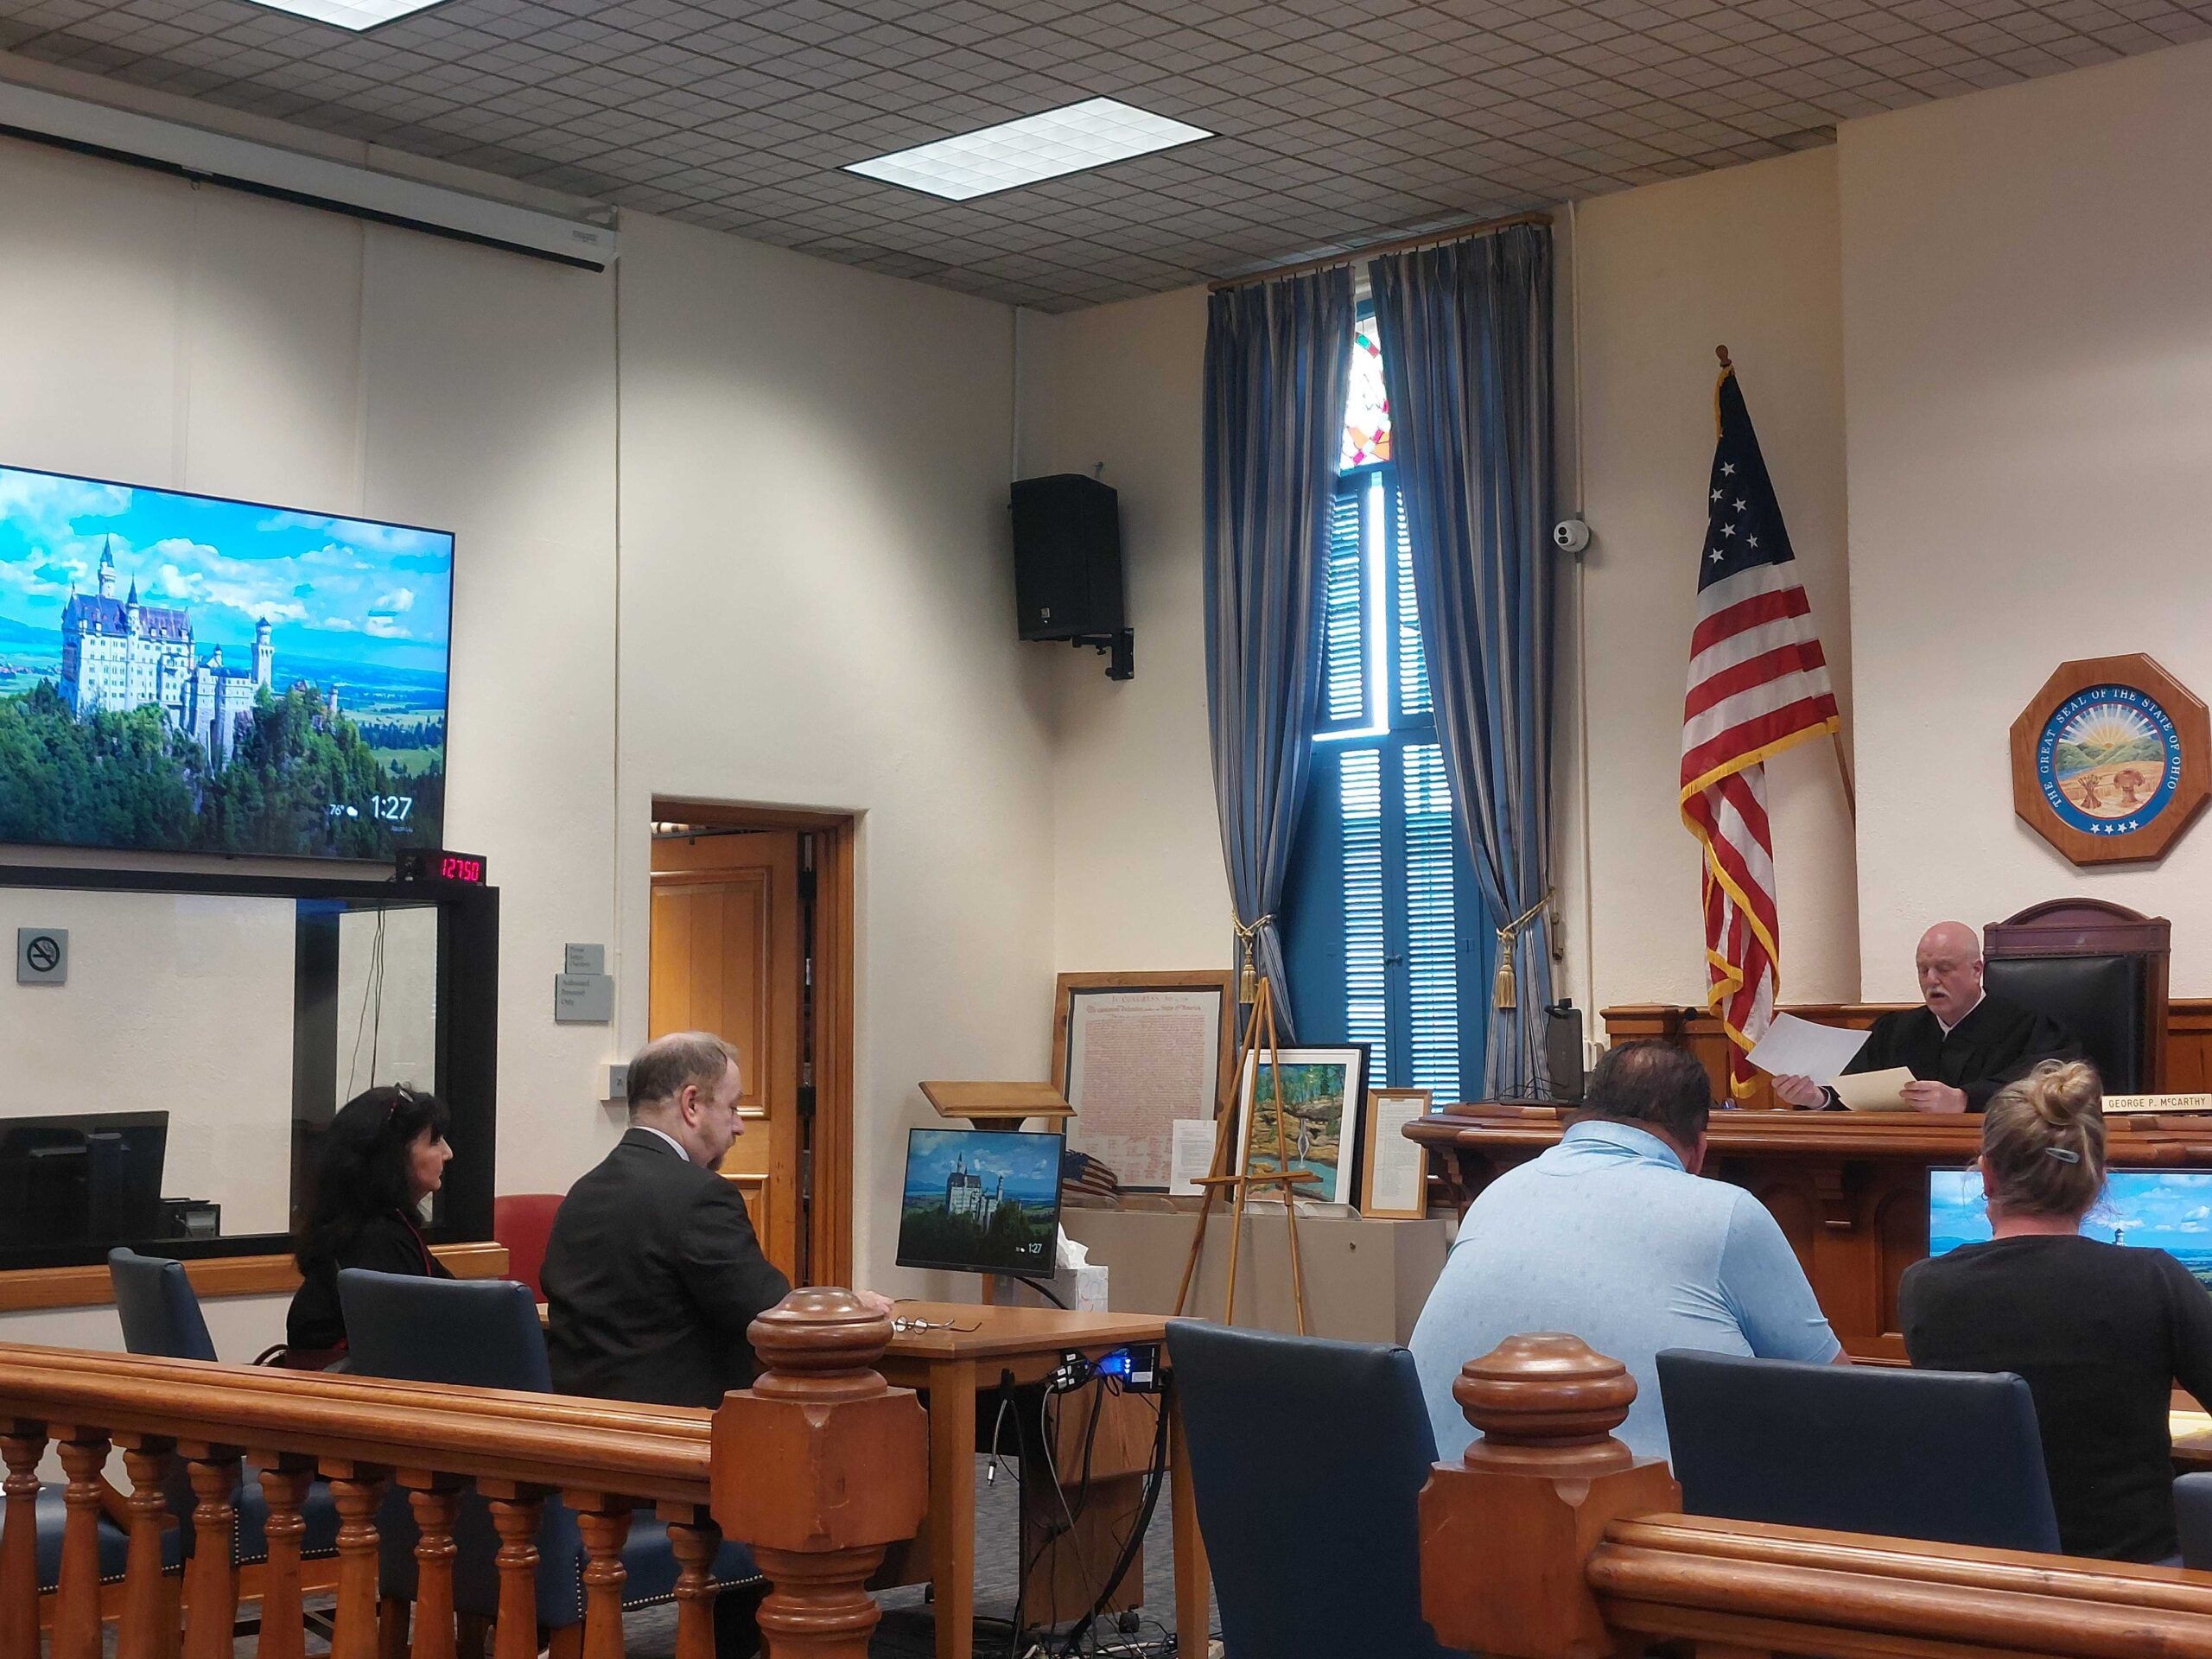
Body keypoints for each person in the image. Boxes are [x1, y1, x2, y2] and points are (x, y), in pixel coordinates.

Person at [1408, 1041, 1841, 1462]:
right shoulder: (1727, 1211)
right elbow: (1835, 1391)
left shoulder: (1495, 1195)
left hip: (1442, 1510)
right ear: (1698, 1151)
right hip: (1650, 1523)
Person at [1899, 1060, 2212, 1561]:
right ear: (2097, 1181)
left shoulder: (1924, 1287)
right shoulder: (2155, 1279)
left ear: (1987, 1175)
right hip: (2134, 1579)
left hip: (1984, 1578)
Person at [543, 1032, 799, 1407]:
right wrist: (851, 1308)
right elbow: (772, 1317)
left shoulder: (582, 1191)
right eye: (732, 1108)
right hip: (678, 1433)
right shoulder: (701, 1197)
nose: (740, 1125)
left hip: (581, 1426)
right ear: (691, 1104)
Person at [1771, 921, 2078, 1113]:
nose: (1932, 980)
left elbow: (2049, 1088)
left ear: (1976, 971)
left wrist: (1964, 1099)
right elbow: (1855, 1091)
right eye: (1923, 970)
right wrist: (1817, 1097)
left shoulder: (2029, 1027)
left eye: (1944, 969)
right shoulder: (1894, 1030)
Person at [286, 1084, 454, 1357]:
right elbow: (424, 1344)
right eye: (434, 1142)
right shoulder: (378, 1239)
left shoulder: (370, 1226)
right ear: (394, 1154)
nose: (448, 1153)